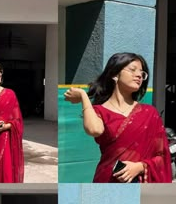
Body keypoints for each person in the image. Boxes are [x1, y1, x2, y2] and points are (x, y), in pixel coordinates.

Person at [64, 52, 172, 183]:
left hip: (138, 184)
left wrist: (139, 166)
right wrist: (83, 96)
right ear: (115, 74)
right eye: (132, 70)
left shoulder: (150, 113)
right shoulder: (99, 111)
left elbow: (162, 156)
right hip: (106, 181)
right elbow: (94, 130)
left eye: (142, 73)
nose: (139, 75)